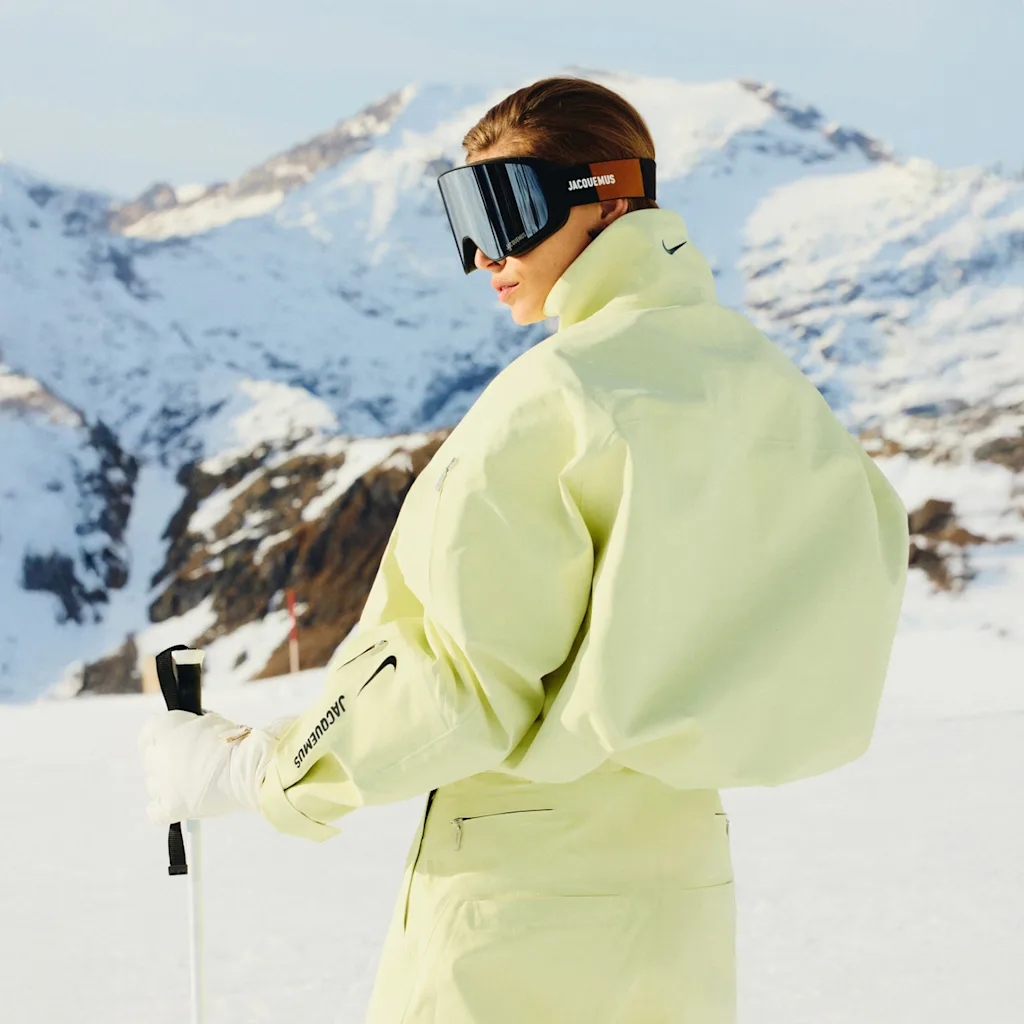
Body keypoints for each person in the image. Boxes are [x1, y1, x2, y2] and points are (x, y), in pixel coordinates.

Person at [139, 76, 910, 1023]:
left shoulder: (556, 398)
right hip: (681, 897)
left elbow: (459, 686)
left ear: (609, 197)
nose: (481, 254)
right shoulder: (769, 387)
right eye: (463, 216)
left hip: (518, 908)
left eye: (504, 209)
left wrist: (261, 771)